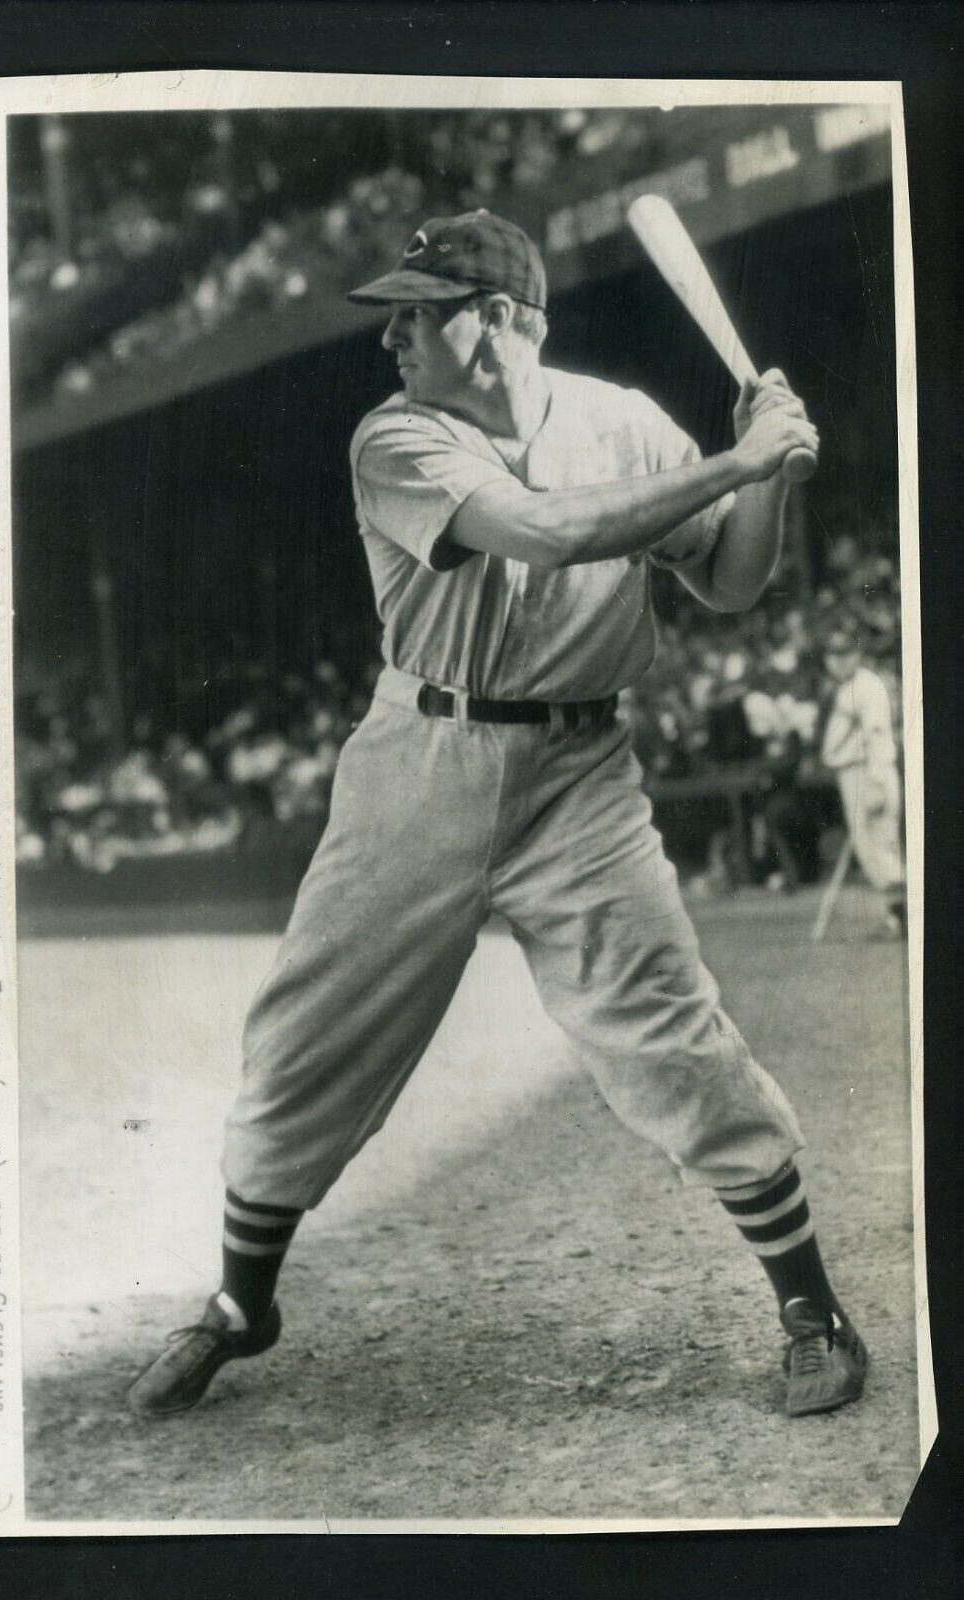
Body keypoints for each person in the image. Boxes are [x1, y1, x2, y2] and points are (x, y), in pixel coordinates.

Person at [128, 210, 866, 1424]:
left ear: (505, 321)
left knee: (670, 1030)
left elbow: (733, 580)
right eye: (399, 311)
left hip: (581, 773)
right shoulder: (398, 437)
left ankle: (809, 1305)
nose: (395, 335)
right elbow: (545, 529)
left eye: (421, 309)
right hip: (420, 761)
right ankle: (239, 1303)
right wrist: (734, 465)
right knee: (306, 1040)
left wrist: (769, 475)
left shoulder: (621, 420)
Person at [820, 627, 906, 935]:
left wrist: (876, 782)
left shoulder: (867, 685)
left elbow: (877, 736)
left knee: (880, 846)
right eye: (833, 655)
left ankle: (902, 917)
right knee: (871, 847)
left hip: (868, 772)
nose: (839, 661)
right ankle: (896, 918)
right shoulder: (847, 687)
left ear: (857, 654)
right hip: (853, 773)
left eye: (845, 654)